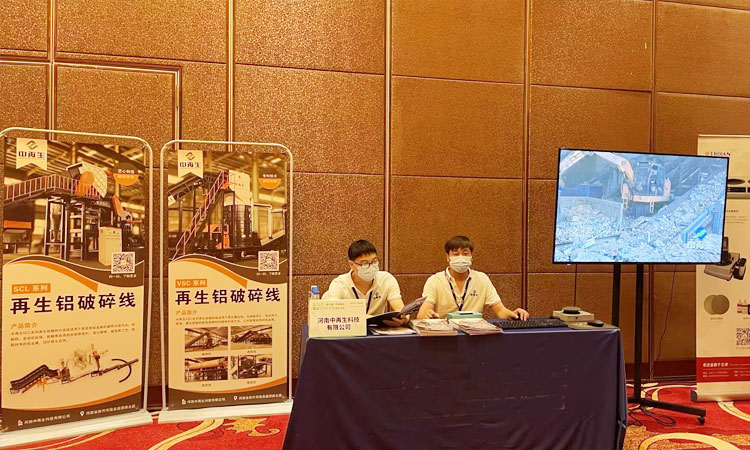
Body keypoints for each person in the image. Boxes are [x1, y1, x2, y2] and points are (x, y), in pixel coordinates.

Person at [417, 235, 529, 320]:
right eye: (456, 254)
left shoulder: (482, 279)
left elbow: (500, 311)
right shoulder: (434, 281)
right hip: (446, 336)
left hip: (475, 336)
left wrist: (514, 314)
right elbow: (422, 314)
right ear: (447, 257)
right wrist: (427, 314)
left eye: (465, 253)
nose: (461, 257)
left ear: (471, 256)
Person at [322, 240, 409, 327]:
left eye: (374, 261)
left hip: (378, 331)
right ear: (351, 265)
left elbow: (399, 307)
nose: (371, 267)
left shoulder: (386, 279)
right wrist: (368, 317)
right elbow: (332, 311)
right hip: (351, 331)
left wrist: (404, 318)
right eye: (364, 263)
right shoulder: (339, 284)